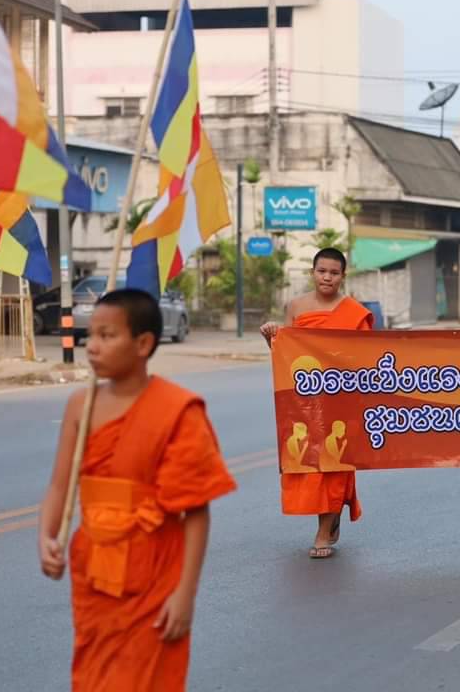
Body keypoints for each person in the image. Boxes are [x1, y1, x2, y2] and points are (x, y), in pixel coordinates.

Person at [38, 289, 236, 692]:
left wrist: (185, 595)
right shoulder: (81, 405)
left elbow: (196, 512)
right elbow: (61, 484)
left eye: (107, 336)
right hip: (94, 571)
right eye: (90, 334)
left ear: (143, 344)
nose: (91, 346)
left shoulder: (177, 410)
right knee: (94, 679)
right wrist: (47, 535)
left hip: (155, 573)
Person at [260, 248, 374, 558]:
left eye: (334, 273)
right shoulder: (296, 307)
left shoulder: (354, 312)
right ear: (313, 272)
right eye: (322, 271)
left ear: (342, 276)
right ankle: (330, 516)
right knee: (308, 464)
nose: (327, 277)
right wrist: (271, 335)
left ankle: (324, 533)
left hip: (341, 401)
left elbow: (364, 359)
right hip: (305, 401)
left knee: (334, 463)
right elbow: (286, 352)